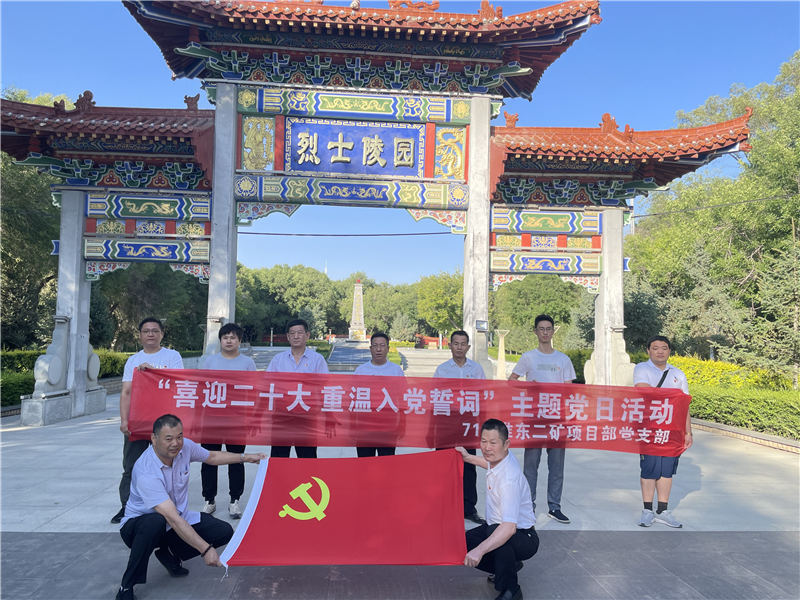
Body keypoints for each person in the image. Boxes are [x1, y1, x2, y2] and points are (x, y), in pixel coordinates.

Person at [115, 414, 266, 600]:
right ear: (154, 439)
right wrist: (205, 550)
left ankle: (170, 554)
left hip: (175, 519)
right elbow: (172, 518)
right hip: (139, 527)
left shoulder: (185, 447)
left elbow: (212, 456)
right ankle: (126, 586)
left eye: (179, 437)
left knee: (224, 531)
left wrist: (246, 457)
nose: (175, 443)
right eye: (168, 439)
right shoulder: (146, 470)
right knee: (154, 522)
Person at [112, 317, 184, 524]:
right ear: (140, 335)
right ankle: (127, 507)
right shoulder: (133, 361)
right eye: (146, 331)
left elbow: (179, 384)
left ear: (162, 334)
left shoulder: (172, 356)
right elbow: (126, 392)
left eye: (155, 330)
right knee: (131, 465)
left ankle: (168, 507)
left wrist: (154, 372)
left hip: (164, 424)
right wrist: (124, 420)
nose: (150, 334)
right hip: (138, 421)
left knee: (167, 466)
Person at [457, 419, 538, 600]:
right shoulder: (501, 458)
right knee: (463, 544)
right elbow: (487, 463)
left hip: (524, 536)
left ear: (506, 444)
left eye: (493, 443)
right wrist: (467, 457)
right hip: (498, 527)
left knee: (495, 536)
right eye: (483, 441)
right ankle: (509, 566)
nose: (487, 448)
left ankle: (511, 590)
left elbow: (508, 528)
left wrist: (480, 550)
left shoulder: (509, 480)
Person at [509, 314, 575, 525]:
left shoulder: (563, 359)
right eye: (541, 329)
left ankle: (554, 507)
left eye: (548, 329)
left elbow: (570, 390)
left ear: (553, 331)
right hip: (534, 419)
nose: (545, 332)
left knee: (557, 467)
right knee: (531, 465)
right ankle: (528, 506)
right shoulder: (528, 357)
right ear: (535, 332)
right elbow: (511, 382)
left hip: (557, 419)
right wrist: (529, 387)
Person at [633, 335, 693, 528]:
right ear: (648, 351)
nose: (660, 351)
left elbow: (684, 405)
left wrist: (688, 432)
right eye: (655, 348)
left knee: (667, 471)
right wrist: (673, 395)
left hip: (672, 430)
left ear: (669, 351)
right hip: (649, 428)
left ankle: (662, 510)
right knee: (650, 469)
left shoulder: (678, 374)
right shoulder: (642, 368)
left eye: (664, 348)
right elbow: (644, 390)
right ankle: (647, 510)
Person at [198, 323, 257, 519]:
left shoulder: (247, 363)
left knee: (237, 459)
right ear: (220, 340)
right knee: (209, 459)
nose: (229, 341)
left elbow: (254, 390)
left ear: (239, 341)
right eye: (225, 337)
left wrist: (251, 417)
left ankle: (235, 500)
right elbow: (201, 388)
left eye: (233, 337)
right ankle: (209, 500)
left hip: (237, 420)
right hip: (212, 419)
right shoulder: (209, 361)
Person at [434, 330, 486, 525]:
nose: (459, 347)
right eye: (456, 343)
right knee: (444, 466)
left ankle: (469, 508)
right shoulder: (442, 370)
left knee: (469, 465)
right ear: (450, 346)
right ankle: (444, 506)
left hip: (468, 422)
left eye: (463, 344)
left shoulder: (476, 369)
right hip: (446, 421)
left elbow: (483, 395)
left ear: (468, 347)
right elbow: (434, 397)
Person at [266, 318, 328, 458]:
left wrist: (328, 416)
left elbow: (325, 387)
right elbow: (267, 385)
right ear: (288, 337)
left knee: (307, 458)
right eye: (292, 333)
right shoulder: (278, 360)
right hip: (281, 416)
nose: (296, 336)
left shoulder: (317, 359)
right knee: (279, 458)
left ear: (307, 335)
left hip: (307, 416)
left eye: (300, 332)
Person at [353, 331, 404, 457]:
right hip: (364, 427)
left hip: (388, 427)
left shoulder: (396, 371)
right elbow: (352, 400)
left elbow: (403, 399)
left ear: (388, 348)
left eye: (382, 345)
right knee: (364, 463)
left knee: (386, 464)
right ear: (370, 348)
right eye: (375, 346)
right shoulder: (361, 371)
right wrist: (352, 426)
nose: (379, 349)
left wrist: (402, 425)